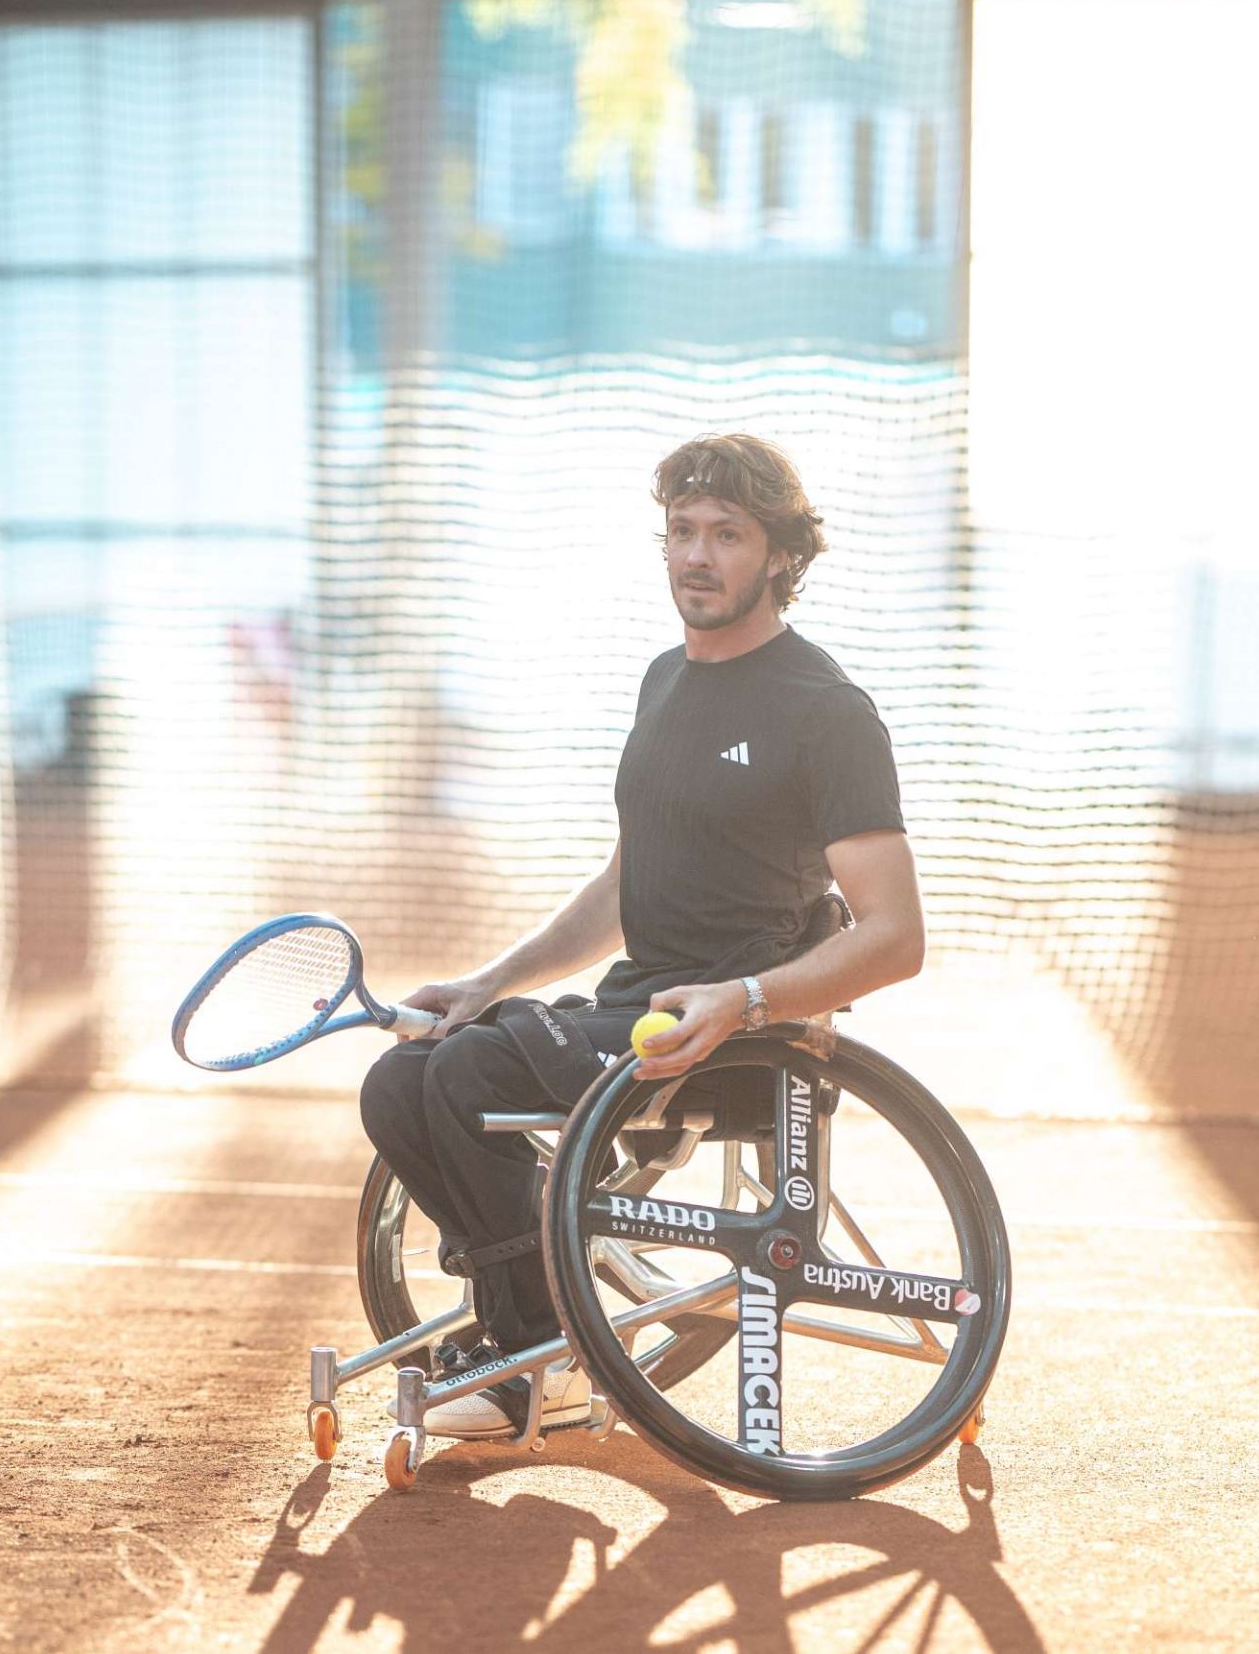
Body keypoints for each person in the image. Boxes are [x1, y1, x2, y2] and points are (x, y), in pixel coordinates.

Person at [359, 432, 925, 1436]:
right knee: (400, 1081)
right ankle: (531, 1321)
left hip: (738, 1034)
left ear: (781, 555)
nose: (697, 556)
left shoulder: (827, 711)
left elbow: (895, 937)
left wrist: (746, 1001)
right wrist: (489, 982)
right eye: (682, 531)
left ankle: (538, 1362)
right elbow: (628, 884)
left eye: (727, 534)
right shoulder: (665, 680)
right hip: (634, 1011)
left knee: (470, 1074)